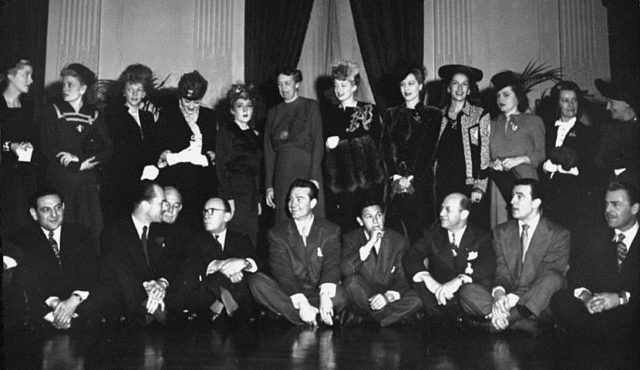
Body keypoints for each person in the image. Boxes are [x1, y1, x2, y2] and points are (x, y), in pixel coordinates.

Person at [458, 179, 570, 336]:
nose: (511, 201)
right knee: (467, 292)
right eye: (512, 196)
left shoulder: (557, 234)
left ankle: (495, 324)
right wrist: (499, 294)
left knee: (553, 279)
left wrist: (512, 299)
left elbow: (546, 277)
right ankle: (525, 325)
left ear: (536, 202)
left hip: (539, 300)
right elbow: (501, 271)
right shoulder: (501, 231)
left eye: (519, 196)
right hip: (514, 303)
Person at [6, 188, 114, 329]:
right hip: (46, 303)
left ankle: (69, 318)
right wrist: (55, 303)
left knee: (109, 280)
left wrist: (73, 300)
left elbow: (90, 271)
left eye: (58, 208)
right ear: (34, 214)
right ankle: (62, 319)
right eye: (46, 210)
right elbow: (27, 279)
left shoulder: (81, 232)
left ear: (63, 207)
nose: (54, 215)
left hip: (78, 299)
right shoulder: (21, 238)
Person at [551, 181, 639, 341]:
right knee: (560, 300)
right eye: (606, 204)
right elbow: (577, 275)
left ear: (635, 209)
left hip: (630, 308)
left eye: (616, 205)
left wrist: (619, 299)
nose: (608, 210)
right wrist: (586, 298)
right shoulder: (596, 236)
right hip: (599, 310)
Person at [250, 179, 346, 326]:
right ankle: (314, 316)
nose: (293, 204)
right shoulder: (277, 233)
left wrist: (325, 295)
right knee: (257, 282)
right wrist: (302, 303)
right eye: (290, 199)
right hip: (290, 293)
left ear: (313, 203)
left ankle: (292, 316)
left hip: (317, 293)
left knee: (340, 296)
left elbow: (331, 264)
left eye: (299, 199)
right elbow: (282, 272)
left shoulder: (330, 230)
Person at [40, 63, 113, 244]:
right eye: (63, 84)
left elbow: (108, 149)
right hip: (61, 180)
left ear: (83, 88)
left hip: (86, 184)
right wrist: (73, 165)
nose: (65, 89)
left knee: (88, 233)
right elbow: (48, 146)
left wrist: (82, 162)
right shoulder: (52, 110)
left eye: (70, 84)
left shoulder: (94, 115)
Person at [100, 180, 181, 326]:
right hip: (130, 304)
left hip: (159, 297)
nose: (165, 208)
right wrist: (148, 288)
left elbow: (171, 263)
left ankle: (155, 310)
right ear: (145, 206)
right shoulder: (114, 232)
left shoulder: (166, 230)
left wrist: (161, 284)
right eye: (161, 203)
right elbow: (122, 272)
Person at [403, 193, 494, 321]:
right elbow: (411, 256)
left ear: (464, 214)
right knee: (417, 280)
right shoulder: (433, 234)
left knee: (472, 290)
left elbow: (487, 266)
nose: (441, 214)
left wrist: (460, 280)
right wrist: (427, 278)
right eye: (441, 208)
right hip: (439, 297)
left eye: (448, 210)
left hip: (466, 299)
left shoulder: (481, 236)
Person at [168, 198, 259, 323]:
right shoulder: (194, 240)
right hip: (204, 301)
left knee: (251, 280)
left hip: (238, 295)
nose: (206, 215)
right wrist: (223, 267)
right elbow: (192, 267)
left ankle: (225, 304)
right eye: (205, 211)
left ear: (227, 216)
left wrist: (244, 263)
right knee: (210, 278)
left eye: (212, 211)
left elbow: (260, 264)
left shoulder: (241, 239)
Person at [323, 60, 386, 233]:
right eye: (336, 85)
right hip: (342, 184)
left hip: (369, 182)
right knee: (347, 229)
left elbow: (379, 144)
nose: (339, 90)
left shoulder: (369, 110)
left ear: (354, 86)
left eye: (344, 85)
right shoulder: (330, 114)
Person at [380, 63, 441, 242]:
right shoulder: (391, 114)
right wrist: (396, 177)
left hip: (420, 185)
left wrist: (411, 176)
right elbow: (385, 147)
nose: (406, 88)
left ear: (421, 86)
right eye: (403, 84)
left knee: (420, 236)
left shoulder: (433, 114)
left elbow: (429, 149)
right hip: (394, 185)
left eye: (411, 83)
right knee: (395, 235)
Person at [341, 199, 422, 326]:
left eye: (378, 215)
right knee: (351, 283)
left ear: (384, 217)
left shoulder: (399, 240)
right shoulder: (351, 238)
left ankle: (373, 320)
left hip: (388, 294)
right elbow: (346, 270)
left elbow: (402, 277)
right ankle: (391, 318)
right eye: (369, 217)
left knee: (418, 297)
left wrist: (386, 297)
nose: (375, 221)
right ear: (360, 221)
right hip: (364, 294)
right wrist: (370, 243)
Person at [540, 81, 599, 250]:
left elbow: (588, 167)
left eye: (574, 100)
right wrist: (545, 167)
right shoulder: (547, 129)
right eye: (565, 100)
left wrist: (564, 166)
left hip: (574, 195)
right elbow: (539, 156)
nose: (571, 105)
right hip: (550, 194)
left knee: (573, 242)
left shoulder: (587, 132)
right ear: (557, 103)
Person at [154, 70, 217, 227]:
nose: (190, 106)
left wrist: (211, 155)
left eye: (196, 102)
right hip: (175, 182)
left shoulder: (209, 116)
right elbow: (159, 146)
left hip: (201, 183)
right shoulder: (168, 114)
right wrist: (165, 154)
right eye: (186, 101)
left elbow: (214, 148)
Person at [264, 67, 325, 224]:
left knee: (309, 216)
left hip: (307, 169)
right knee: (284, 220)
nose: (283, 88)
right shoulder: (273, 112)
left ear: (297, 84)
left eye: (287, 83)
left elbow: (318, 143)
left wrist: (313, 177)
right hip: (282, 172)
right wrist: (269, 185)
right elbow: (269, 152)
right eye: (279, 84)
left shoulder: (310, 106)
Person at [432, 65, 490, 229]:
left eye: (464, 84)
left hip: (468, 183)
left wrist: (479, 186)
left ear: (470, 90)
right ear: (448, 88)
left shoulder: (479, 115)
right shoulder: (438, 116)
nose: (459, 88)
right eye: (455, 83)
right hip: (441, 182)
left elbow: (484, 154)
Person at [101, 64, 157, 225]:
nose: (134, 94)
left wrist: (153, 165)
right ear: (124, 91)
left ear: (144, 93)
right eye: (130, 89)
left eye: (139, 90)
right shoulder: (113, 116)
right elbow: (118, 152)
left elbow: (151, 147)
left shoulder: (147, 117)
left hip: (143, 182)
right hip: (119, 183)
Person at [488, 71, 545, 227]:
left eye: (506, 95)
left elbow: (541, 154)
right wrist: (492, 163)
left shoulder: (532, 121)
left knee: (525, 225)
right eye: (498, 96)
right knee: (501, 228)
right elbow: (485, 155)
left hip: (524, 180)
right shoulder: (491, 124)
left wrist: (518, 160)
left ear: (517, 96)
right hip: (499, 182)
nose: (501, 99)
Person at [216, 84, 262, 245]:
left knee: (252, 234)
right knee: (236, 234)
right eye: (240, 106)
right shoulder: (227, 131)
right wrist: (229, 198)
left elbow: (257, 168)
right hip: (234, 190)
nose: (245, 110)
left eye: (249, 106)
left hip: (251, 192)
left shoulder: (254, 134)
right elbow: (221, 167)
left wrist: (257, 199)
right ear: (232, 110)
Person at [1, 58, 37, 235]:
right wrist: (9, 146)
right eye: (26, 75)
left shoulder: (28, 107)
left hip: (22, 177)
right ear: (10, 76)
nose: (30, 80)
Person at [593, 78, 639, 189]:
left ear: (627, 103)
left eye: (612, 103)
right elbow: (599, 161)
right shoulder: (606, 129)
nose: (607, 107)